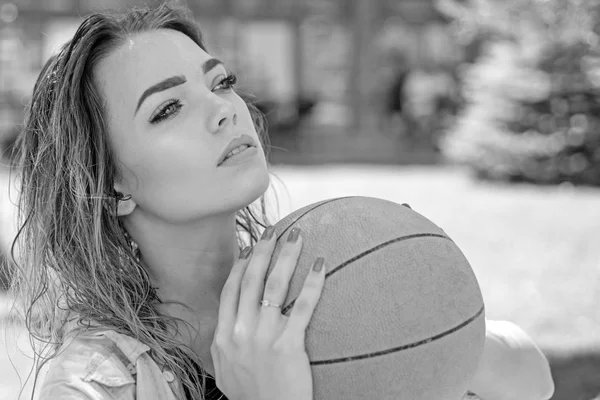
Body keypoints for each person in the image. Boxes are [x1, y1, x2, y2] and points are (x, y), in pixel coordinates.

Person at [7, 2, 554, 400]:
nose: (226, 110)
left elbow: (533, 380)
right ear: (109, 184)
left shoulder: (329, 274)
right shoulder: (91, 385)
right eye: (167, 109)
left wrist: (430, 325)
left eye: (220, 83)